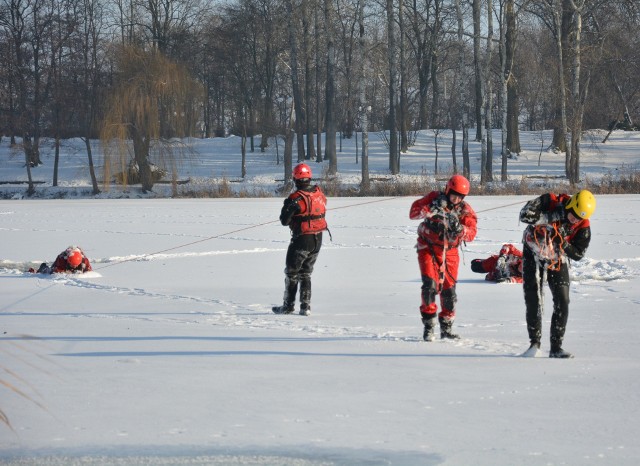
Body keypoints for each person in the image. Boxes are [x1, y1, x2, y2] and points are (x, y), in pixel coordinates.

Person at [519, 189, 596, 358]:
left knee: (563, 299)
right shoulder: (551, 200)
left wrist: (563, 243)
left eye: (579, 217)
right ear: (571, 205)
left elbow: (578, 254)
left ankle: (556, 347)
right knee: (533, 297)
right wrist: (550, 217)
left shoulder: (583, 227)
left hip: (556, 257)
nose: (575, 219)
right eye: (574, 214)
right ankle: (534, 345)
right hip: (533, 250)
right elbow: (524, 215)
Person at [409, 175, 478, 341]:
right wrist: (431, 208)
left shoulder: (465, 210)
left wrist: (459, 228)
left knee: (449, 291)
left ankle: (447, 327)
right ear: (447, 190)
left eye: (460, 197)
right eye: (454, 195)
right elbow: (413, 213)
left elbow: (471, 233)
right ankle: (429, 325)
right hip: (428, 248)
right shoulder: (433, 198)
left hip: (450, 252)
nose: (456, 199)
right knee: (429, 286)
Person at [272, 163, 328, 316]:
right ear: (309, 178)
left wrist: (288, 207)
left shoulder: (295, 198)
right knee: (306, 273)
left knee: (292, 272)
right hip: (318, 238)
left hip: (302, 239)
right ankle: (305, 307)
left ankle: (288, 306)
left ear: (295, 178)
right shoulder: (319, 193)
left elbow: (284, 221)